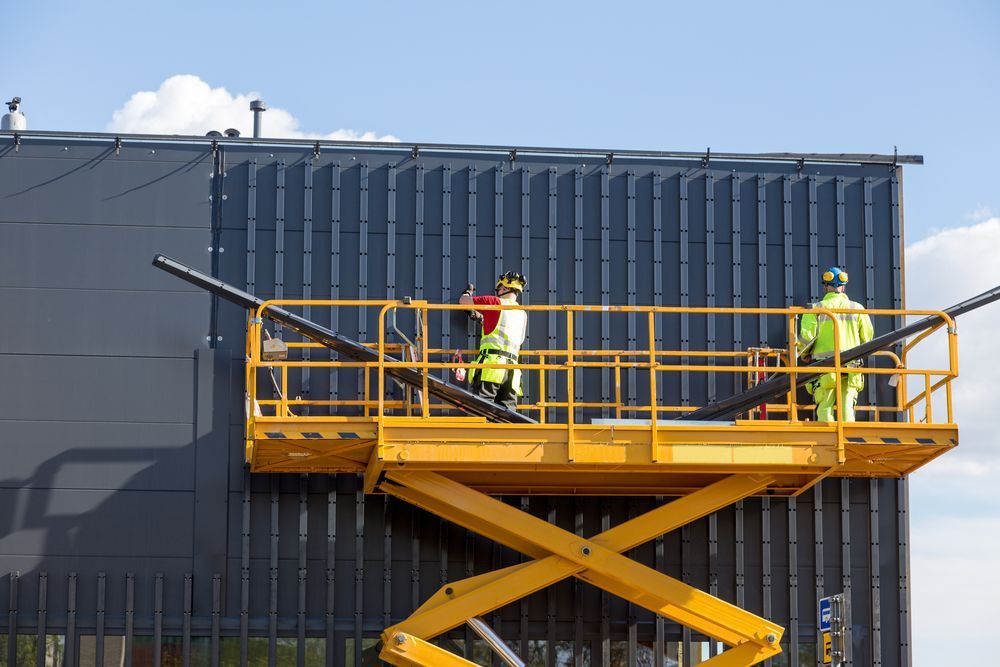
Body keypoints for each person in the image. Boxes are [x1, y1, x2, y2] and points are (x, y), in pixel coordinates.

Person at [798, 267, 874, 422]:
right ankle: (846, 439)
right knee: (847, 407)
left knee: (825, 407)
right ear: (843, 287)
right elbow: (868, 337)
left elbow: (807, 337)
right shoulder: (857, 308)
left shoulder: (816, 308)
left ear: (825, 286)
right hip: (852, 365)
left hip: (825, 366)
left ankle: (826, 441)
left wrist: (804, 354)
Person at [458, 271, 527, 412]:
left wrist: (467, 293)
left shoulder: (495, 303)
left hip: (491, 368)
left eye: (499, 289)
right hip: (512, 373)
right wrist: (481, 318)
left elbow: (463, 302)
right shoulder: (522, 314)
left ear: (504, 288)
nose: (497, 292)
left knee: (481, 412)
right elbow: (501, 330)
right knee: (508, 417)